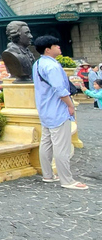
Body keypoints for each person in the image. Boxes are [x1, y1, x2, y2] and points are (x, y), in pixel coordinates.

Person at [32, 35, 88, 190]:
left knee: (46, 142)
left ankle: (48, 175)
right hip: (57, 110)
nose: (59, 47)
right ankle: (67, 180)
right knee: (61, 146)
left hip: (45, 109)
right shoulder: (53, 67)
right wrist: (70, 105)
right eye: (56, 45)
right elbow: (60, 89)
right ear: (48, 49)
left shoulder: (37, 64)